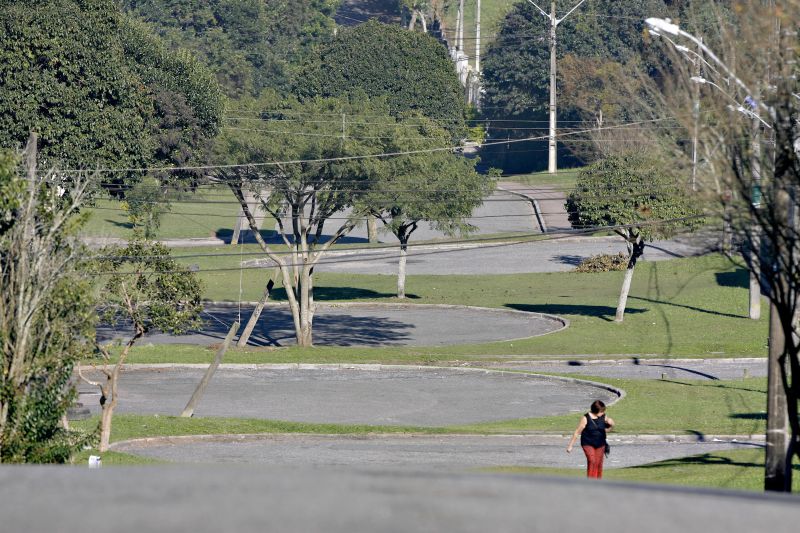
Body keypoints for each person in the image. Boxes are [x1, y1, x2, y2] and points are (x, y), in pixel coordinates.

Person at [566, 400, 614, 479]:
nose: (603, 413)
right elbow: (577, 432)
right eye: (601, 411)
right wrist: (570, 446)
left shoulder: (604, 416)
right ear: (595, 411)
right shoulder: (586, 418)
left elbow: (606, 430)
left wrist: (612, 425)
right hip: (588, 443)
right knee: (592, 461)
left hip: (601, 443)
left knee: (599, 463)